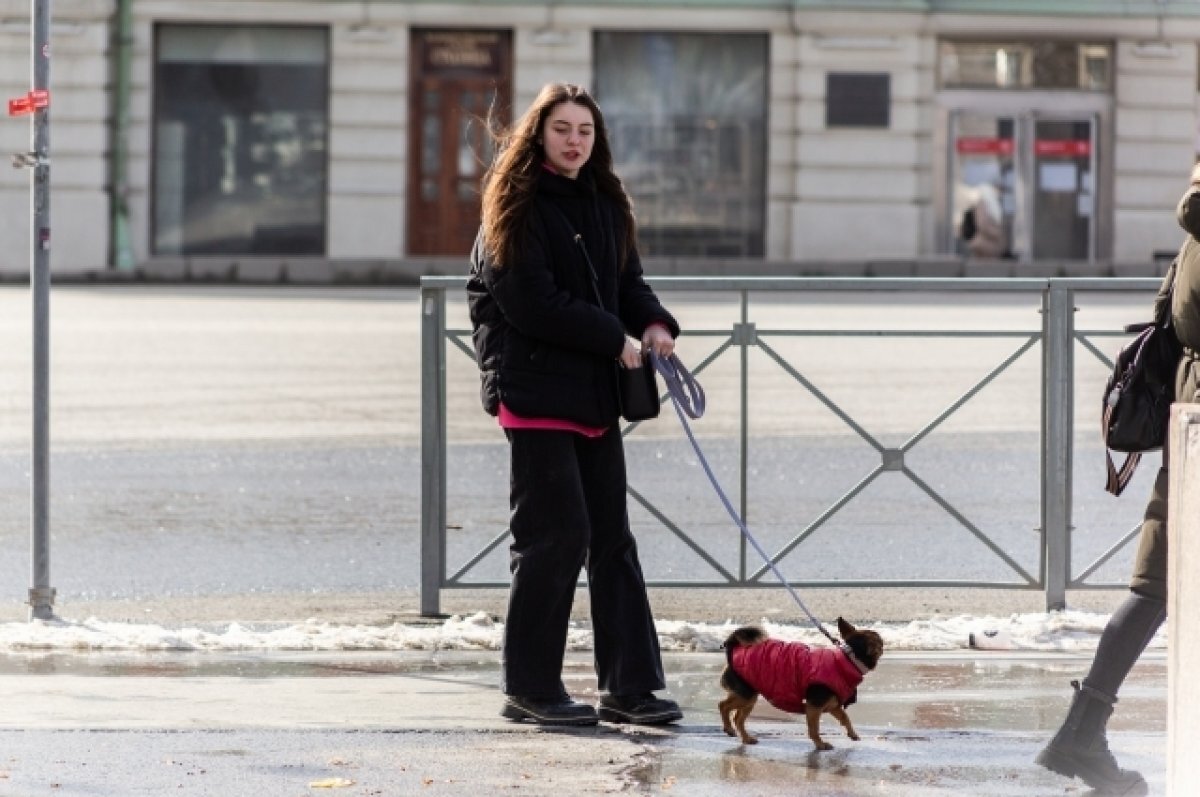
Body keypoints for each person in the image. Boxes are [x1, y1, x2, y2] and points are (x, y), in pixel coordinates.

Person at [466, 82, 683, 727]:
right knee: (555, 537)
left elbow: (627, 282)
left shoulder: (605, 201)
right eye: (562, 128)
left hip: (592, 396)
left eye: (585, 131)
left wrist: (653, 324)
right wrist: (612, 338)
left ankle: (630, 688)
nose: (574, 140)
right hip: (533, 392)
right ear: (538, 133)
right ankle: (530, 688)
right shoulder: (514, 205)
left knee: (612, 539)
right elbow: (529, 302)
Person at [1035, 163, 1200, 794]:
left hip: (1190, 421)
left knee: (1156, 585)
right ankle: (1081, 733)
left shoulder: (1193, 236)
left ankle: (1081, 731)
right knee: (1157, 585)